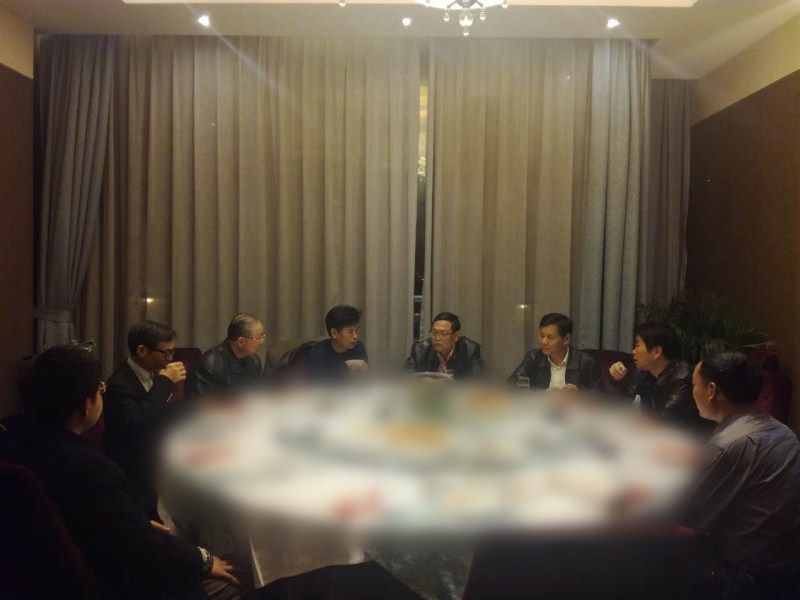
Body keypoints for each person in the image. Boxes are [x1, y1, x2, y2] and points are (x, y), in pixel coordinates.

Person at [2, 345, 240, 599]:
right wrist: (203, 559)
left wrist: (132, 523)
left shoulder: (12, 446)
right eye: (99, 389)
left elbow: (96, 521)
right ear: (87, 405)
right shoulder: (89, 469)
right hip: (107, 582)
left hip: (33, 577)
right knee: (236, 582)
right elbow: (141, 550)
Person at [683, 350, 800, 598]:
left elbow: (685, 516)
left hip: (740, 578)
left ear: (711, 390)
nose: (692, 392)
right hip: (787, 571)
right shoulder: (784, 432)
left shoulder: (727, 444)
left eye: (694, 384)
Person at [104, 320, 186, 519]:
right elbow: (137, 423)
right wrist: (164, 382)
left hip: (153, 465)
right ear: (142, 351)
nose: (169, 359)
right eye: (166, 353)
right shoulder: (119, 384)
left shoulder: (151, 374)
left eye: (172, 352)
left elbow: (158, 413)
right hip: (132, 471)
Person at [609, 322, 710, 431]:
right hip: (659, 435)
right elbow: (625, 402)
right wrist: (618, 380)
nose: (633, 351)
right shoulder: (646, 373)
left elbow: (665, 419)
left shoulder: (682, 377)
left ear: (656, 352)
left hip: (688, 438)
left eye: (637, 345)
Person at [508, 313, 602, 391]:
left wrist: (580, 394)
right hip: (539, 405)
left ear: (566, 339)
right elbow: (512, 381)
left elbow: (600, 395)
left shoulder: (585, 362)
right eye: (542, 336)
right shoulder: (534, 357)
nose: (543, 342)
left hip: (573, 407)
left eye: (550, 337)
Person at [186, 313, 266, 399]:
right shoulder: (209, 365)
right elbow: (203, 404)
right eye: (259, 338)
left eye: (262, 337)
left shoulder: (254, 361)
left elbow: (258, 395)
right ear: (241, 342)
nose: (262, 342)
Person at [403, 312, 485, 378]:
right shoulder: (420, 350)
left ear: (456, 336)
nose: (437, 338)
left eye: (443, 334)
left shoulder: (470, 350)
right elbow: (406, 376)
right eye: (434, 333)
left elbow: (478, 380)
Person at [306, 305, 369, 380]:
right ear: (334, 333)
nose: (355, 336)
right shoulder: (318, 353)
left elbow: (366, 379)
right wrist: (348, 365)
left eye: (356, 330)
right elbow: (321, 383)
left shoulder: (358, 347)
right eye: (350, 331)